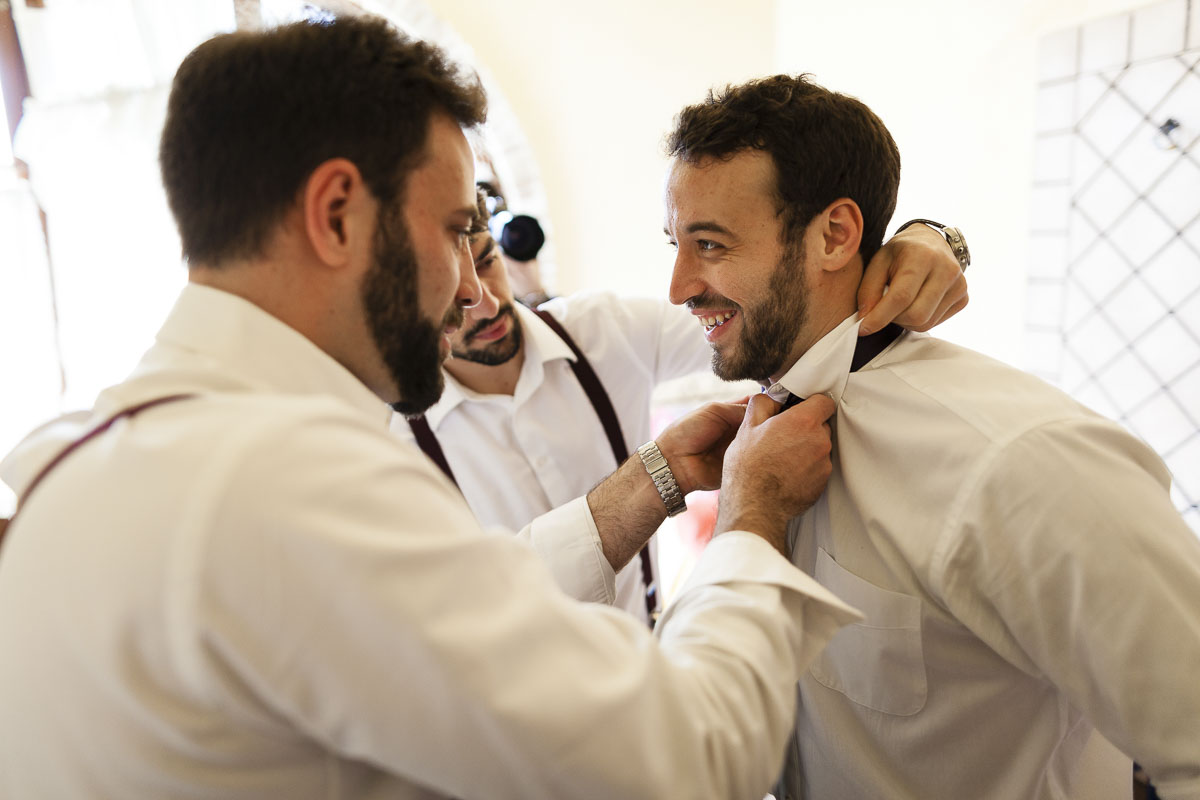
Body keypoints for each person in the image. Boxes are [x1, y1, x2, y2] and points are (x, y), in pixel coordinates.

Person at [0, 20, 868, 799]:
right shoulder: (299, 486)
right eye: (455, 229)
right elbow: (692, 756)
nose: (469, 285)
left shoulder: (67, 463)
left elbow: (455, 606)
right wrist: (751, 520)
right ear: (336, 215)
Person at [663, 74, 1200, 800]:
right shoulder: (756, 438)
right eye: (676, 244)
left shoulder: (1020, 460)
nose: (678, 286)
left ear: (835, 235)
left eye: (711, 245)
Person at [397, 188, 969, 624]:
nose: (486, 299)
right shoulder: (388, 449)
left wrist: (927, 237)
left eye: (487, 260)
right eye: (449, 289)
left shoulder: (602, 331)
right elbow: (466, 616)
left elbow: (768, 317)